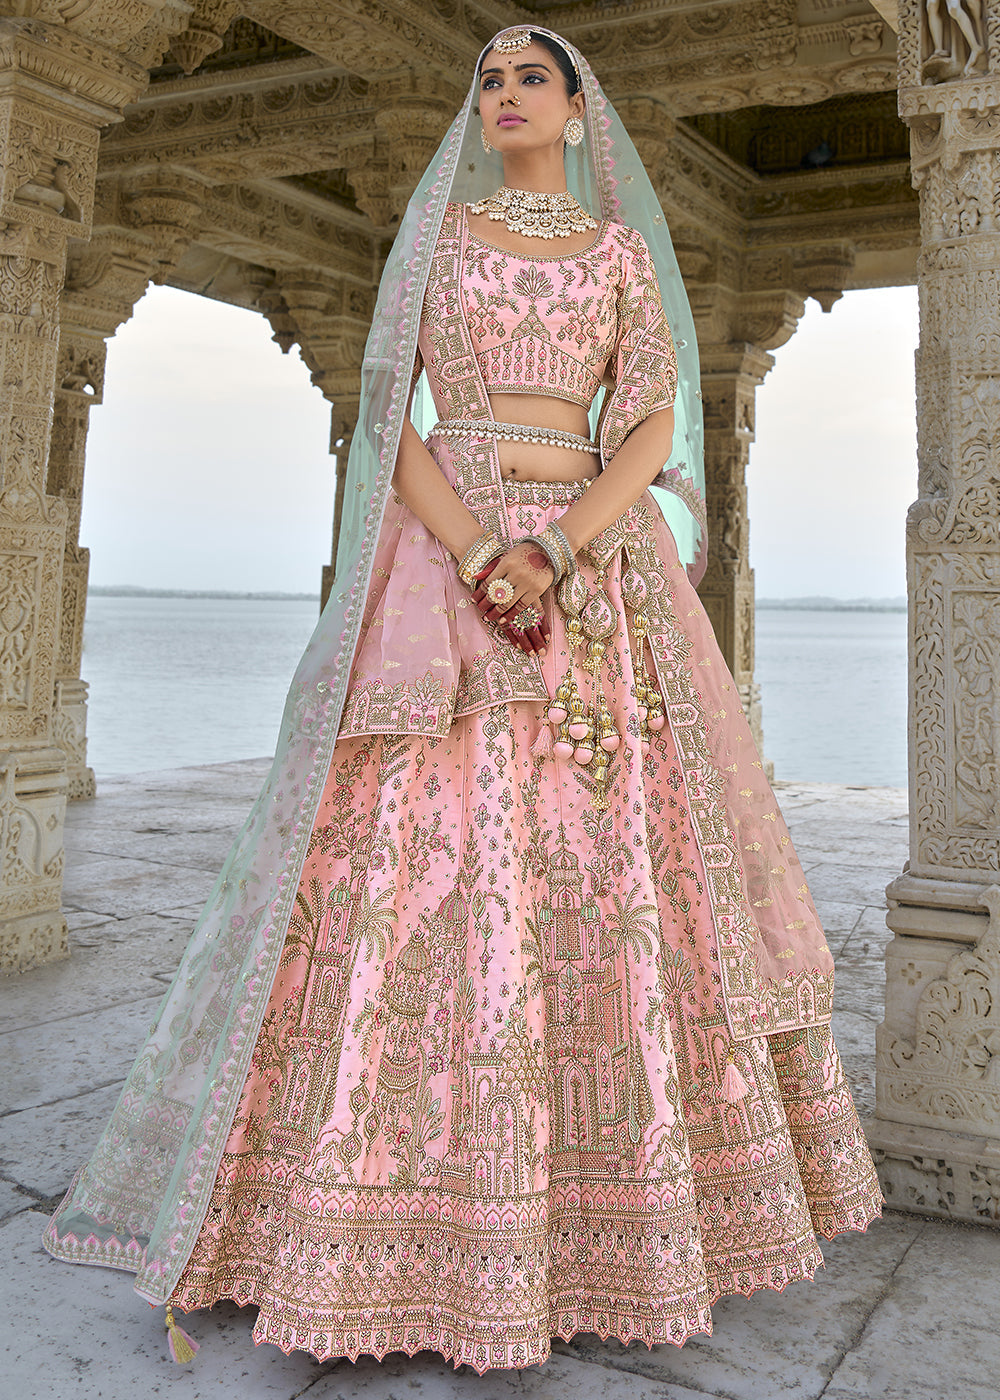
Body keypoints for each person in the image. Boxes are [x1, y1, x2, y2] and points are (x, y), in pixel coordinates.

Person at [45, 25, 883, 1374]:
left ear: (574, 108)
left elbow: (655, 426)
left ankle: (602, 1221)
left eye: (527, 80)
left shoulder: (617, 259)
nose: (501, 98)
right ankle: (365, 1217)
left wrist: (560, 549)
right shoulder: (439, 245)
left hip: (595, 584)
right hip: (448, 570)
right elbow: (395, 422)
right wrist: (485, 549)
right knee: (420, 875)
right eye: (486, 81)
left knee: (607, 872)